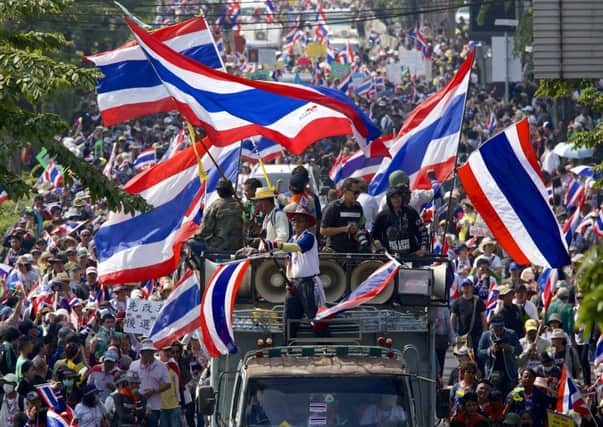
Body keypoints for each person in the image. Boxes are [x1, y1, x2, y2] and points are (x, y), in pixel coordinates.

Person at [266, 204, 323, 340]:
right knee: (289, 316)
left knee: (314, 316)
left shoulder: (309, 237)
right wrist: (289, 279)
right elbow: (289, 262)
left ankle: (323, 344)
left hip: (308, 283)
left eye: (300, 220)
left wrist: (275, 244)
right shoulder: (292, 239)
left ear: (307, 223)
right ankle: (287, 346)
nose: (296, 223)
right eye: (295, 220)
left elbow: (296, 248)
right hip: (294, 283)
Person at [371, 185, 429, 259]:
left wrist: (422, 249)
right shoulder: (382, 216)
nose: (396, 199)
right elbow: (374, 237)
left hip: (412, 257)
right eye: (393, 197)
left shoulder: (411, 212)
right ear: (389, 199)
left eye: (398, 196)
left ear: (402, 197)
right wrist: (380, 248)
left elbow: (423, 233)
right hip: (390, 259)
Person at [192, 178, 243, 254]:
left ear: (218, 191)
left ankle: (201, 265)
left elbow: (205, 230)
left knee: (190, 244)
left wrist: (194, 236)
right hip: (238, 245)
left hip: (218, 245)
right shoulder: (241, 205)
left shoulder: (215, 206)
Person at [128, 339, 171, 427]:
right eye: (147, 352)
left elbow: (168, 384)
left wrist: (154, 390)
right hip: (137, 404)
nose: (149, 354)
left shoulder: (161, 366)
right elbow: (129, 382)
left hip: (154, 406)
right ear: (141, 352)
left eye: (151, 352)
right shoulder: (133, 365)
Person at [477, 315, 521, 396]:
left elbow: (519, 349)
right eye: (496, 329)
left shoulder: (511, 334)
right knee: (494, 395)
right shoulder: (486, 336)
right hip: (492, 371)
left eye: (500, 329)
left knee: (509, 395)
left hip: (508, 372)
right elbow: (479, 353)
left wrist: (510, 348)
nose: (498, 331)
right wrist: (490, 350)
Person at [321, 177, 367, 253]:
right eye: (355, 193)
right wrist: (344, 229)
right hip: (335, 251)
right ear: (345, 191)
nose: (357, 196)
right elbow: (323, 231)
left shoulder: (358, 207)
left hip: (354, 251)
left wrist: (359, 231)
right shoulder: (333, 207)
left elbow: (362, 225)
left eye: (359, 193)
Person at [451, 278, 488, 359]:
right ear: (461, 288)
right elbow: (453, 318)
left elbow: (483, 317)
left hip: (477, 334)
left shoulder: (478, 301)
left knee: (478, 358)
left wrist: (485, 333)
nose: (466, 288)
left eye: (468, 286)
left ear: (472, 287)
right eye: (464, 286)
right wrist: (452, 333)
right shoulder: (457, 302)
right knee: (462, 359)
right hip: (462, 335)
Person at [252, 187, 289, 251]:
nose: (257, 205)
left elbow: (283, 236)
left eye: (258, 202)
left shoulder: (279, 215)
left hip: (276, 257)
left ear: (265, 202)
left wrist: (269, 247)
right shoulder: (267, 217)